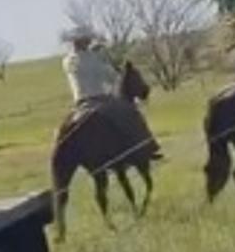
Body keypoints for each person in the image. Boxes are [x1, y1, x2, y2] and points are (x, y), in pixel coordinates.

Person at [60, 27, 162, 160]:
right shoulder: (86, 58)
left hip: (80, 102)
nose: (88, 42)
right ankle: (147, 147)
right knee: (132, 114)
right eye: (86, 40)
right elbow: (110, 76)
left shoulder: (68, 60)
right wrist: (103, 59)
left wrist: (99, 56)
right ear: (80, 42)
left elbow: (104, 74)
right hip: (99, 99)